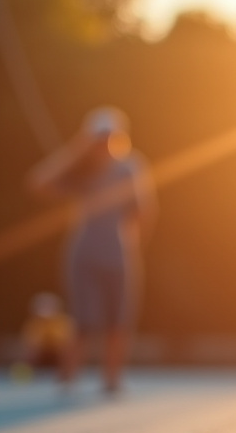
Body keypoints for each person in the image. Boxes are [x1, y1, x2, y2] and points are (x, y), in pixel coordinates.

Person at [26, 106, 156, 395]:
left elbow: (143, 210)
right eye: (98, 137)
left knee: (118, 321)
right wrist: (75, 152)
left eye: (109, 136)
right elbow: (38, 183)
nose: (104, 143)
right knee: (83, 321)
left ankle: (112, 381)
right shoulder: (81, 169)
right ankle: (67, 378)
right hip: (83, 254)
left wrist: (134, 245)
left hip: (120, 254)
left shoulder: (130, 166)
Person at [11, 291, 75, 385]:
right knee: (28, 353)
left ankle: (65, 375)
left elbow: (66, 342)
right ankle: (25, 375)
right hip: (41, 353)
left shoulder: (63, 321)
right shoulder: (34, 323)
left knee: (67, 351)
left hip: (56, 352)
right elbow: (31, 345)